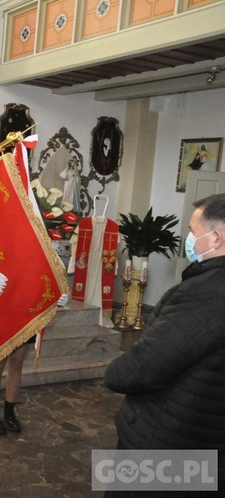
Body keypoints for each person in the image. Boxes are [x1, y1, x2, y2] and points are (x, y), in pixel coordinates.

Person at [104, 193, 225, 492]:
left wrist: (115, 372)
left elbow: (144, 366)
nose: (189, 240)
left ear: (216, 238)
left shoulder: (206, 293)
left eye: (194, 233)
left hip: (170, 443)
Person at [0, 293, 69, 434]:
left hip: (26, 311)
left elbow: (44, 277)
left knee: (17, 362)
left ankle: (9, 410)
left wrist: (56, 296)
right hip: (1, 309)